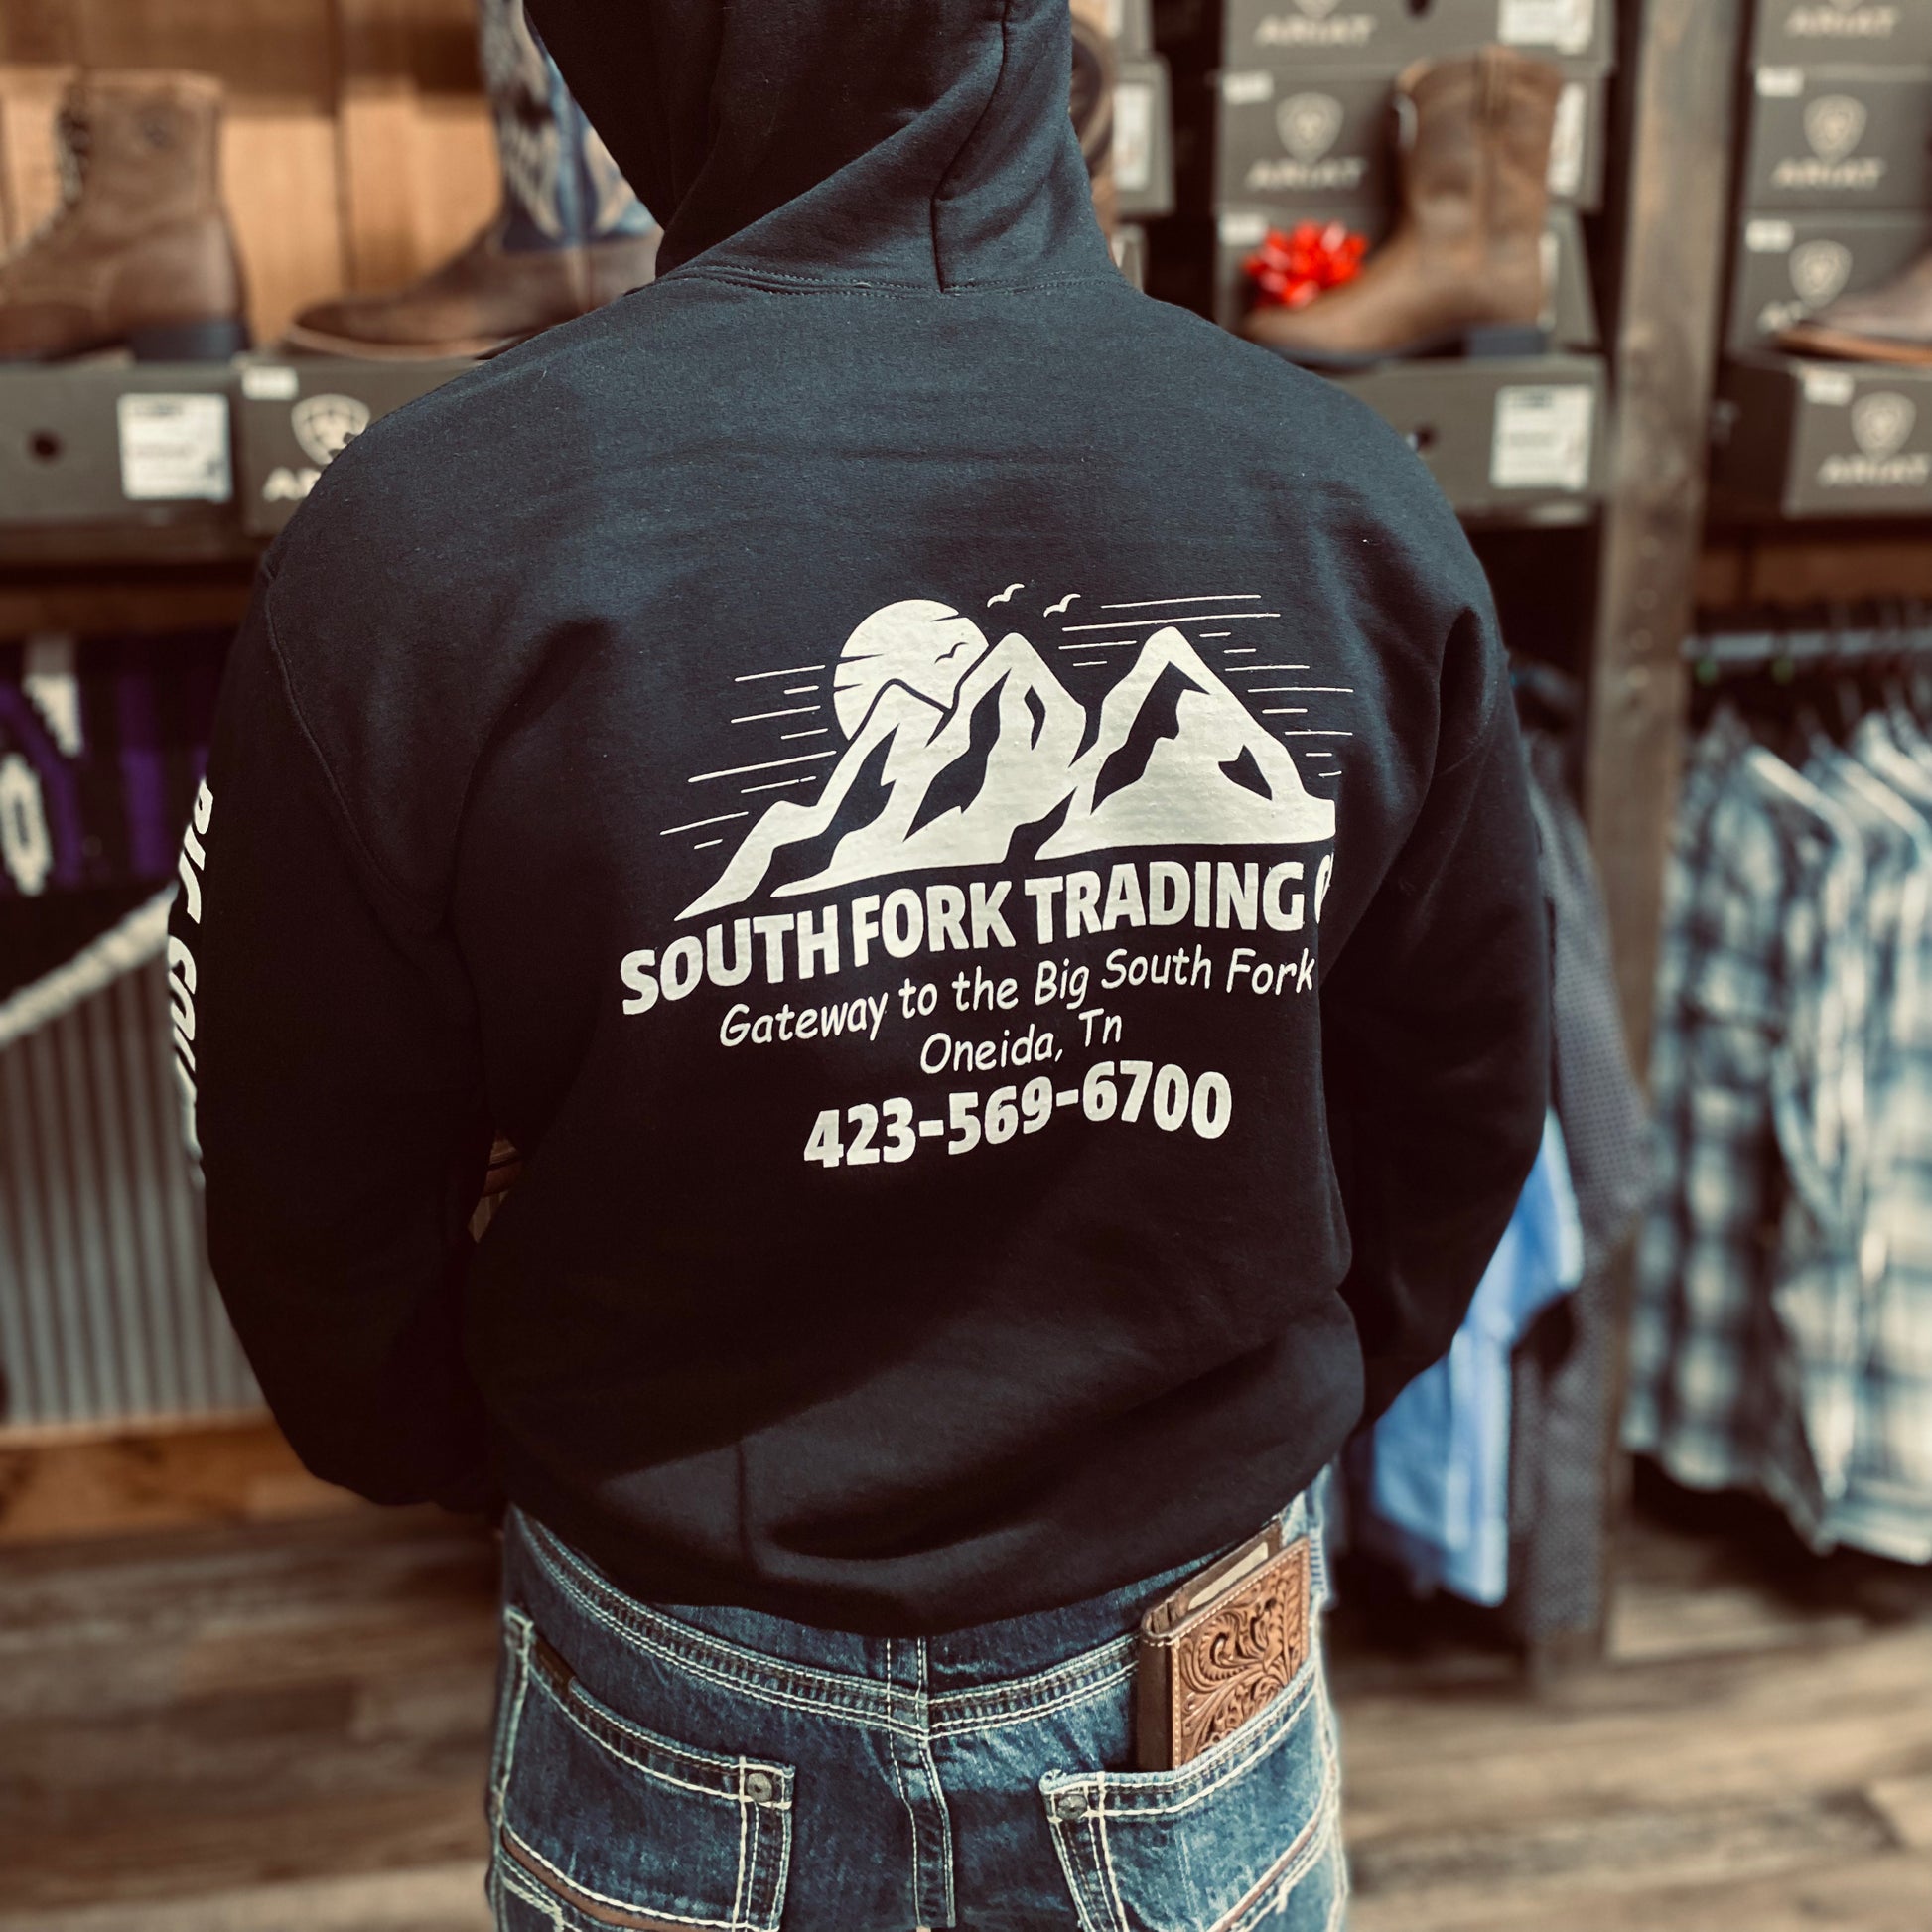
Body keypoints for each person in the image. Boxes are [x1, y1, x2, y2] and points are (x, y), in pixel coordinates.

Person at [168, 2, 1549, 1926]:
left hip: (674, 1663)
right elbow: (1464, 1098)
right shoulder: (1344, 499)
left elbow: (305, 1184)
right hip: (1184, 1668)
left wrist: (500, 1454)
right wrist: (1246, 1411)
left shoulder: (424, 539)